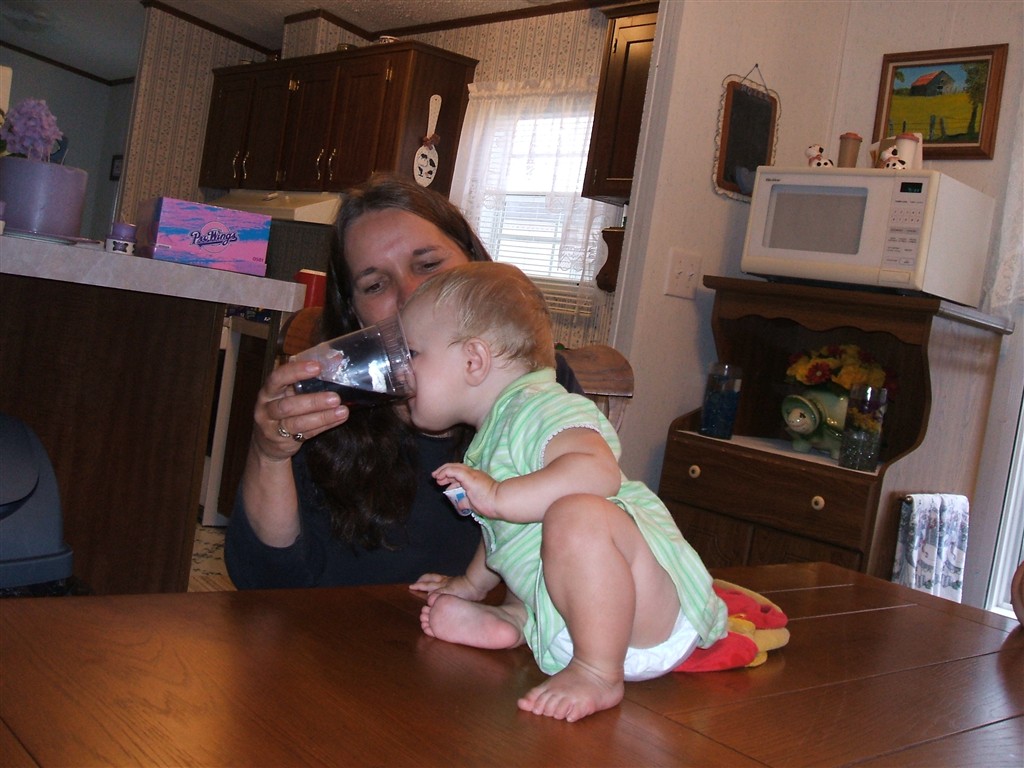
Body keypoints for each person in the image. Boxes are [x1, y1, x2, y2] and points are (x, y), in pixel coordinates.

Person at [403, 262, 727, 723]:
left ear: (474, 360)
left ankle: (598, 674)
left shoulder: (539, 405)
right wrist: (473, 584)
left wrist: (498, 496)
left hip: (646, 613)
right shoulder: (492, 435)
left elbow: (598, 472)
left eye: (412, 353)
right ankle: (517, 621)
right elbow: (503, 531)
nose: (401, 369)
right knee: (532, 531)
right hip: (581, 621)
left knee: (574, 515)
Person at [224, 175, 580, 589]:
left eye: (429, 265)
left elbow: (585, 537)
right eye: (375, 285)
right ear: (355, 314)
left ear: (474, 264)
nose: (410, 294)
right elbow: (264, 583)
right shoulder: (325, 408)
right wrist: (269, 455)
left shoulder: (535, 386)